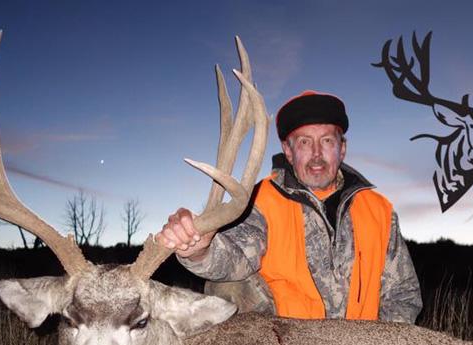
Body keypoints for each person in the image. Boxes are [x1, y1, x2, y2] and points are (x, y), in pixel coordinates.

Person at [158, 90, 421, 323]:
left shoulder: (379, 210)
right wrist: (200, 250)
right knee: (228, 288)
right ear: (288, 150)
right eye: (304, 142)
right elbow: (235, 256)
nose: (316, 154)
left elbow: (404, 294)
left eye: (327, 141)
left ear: (342, 148)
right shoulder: (261, 201)